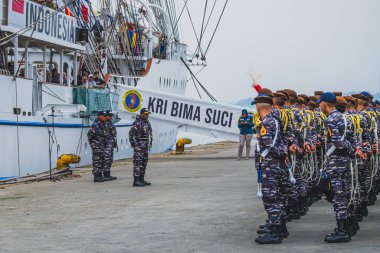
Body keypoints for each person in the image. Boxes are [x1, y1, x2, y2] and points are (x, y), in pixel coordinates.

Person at [318, 92, 352, 243]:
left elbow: (337, 142)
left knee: (337, 196)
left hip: (336, 162)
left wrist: (347, 146)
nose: (319, 106)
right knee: (343, 194)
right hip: (344, 161)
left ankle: (342, 230)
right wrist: (351, 147)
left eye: (321, 103)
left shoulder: (330, 120)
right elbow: (351, 138)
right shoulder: (343, 117)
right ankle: (347, 226)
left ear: (325, 104)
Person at [254, 94, 286, 244]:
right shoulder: (274, 121)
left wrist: (278, 155)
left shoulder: (266, 123)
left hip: (268, 165)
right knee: (276, 197)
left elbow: (269, 146)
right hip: (274, 164)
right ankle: (280, 228)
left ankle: (275, 232)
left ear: (258, 107)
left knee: (270, 198)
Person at [88, 111, 116, 182]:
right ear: (99, 116)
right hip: (97, 146)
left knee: (101, 161)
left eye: (105, 116)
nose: (105, 117)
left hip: (103, 145)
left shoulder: (105, 124)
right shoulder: (96, 124)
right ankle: (96, 176)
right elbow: (90, 135)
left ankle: (100, 175)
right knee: (96, 161)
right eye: (103, 116)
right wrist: (93, 144)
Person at [129, 108, 153, 187]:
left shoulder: (147, 122)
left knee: (143, 163)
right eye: (146, 114)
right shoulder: (137, 123)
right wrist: (135, 146)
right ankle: (136, 181)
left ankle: (141, 179)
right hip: (139, 147)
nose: (147, 115)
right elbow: (131, 135)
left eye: (148, 114)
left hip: (145, 147)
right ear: (141, 114)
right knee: (138, 164)